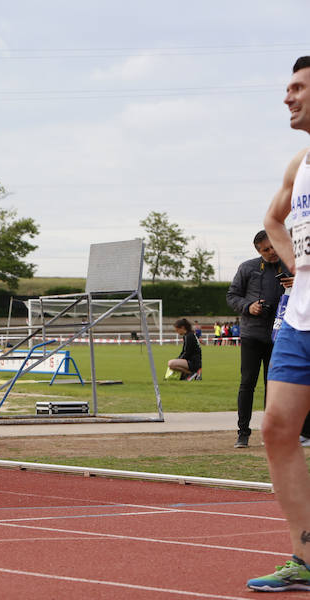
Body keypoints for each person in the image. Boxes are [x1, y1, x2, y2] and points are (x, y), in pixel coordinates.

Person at [246, 56, 310, 592]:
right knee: (275, 428)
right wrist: (295, 265)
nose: (286, 97)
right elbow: (273, 218)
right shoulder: (300, 162)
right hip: (301, 319)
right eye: (286, 87)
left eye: (297, 87)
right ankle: (305, 557)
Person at [226, 230, 292, 449]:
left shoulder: (289, 265)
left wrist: (297, 285)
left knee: (273, 386)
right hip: (252, 335)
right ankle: (242, 433)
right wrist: (248, 306)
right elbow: (231, 296)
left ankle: (270, 432)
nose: (272, 252)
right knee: (247, 384)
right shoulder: (247, 267)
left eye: (274, 247)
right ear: (258, 250)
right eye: (266, 249)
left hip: (279, 335)